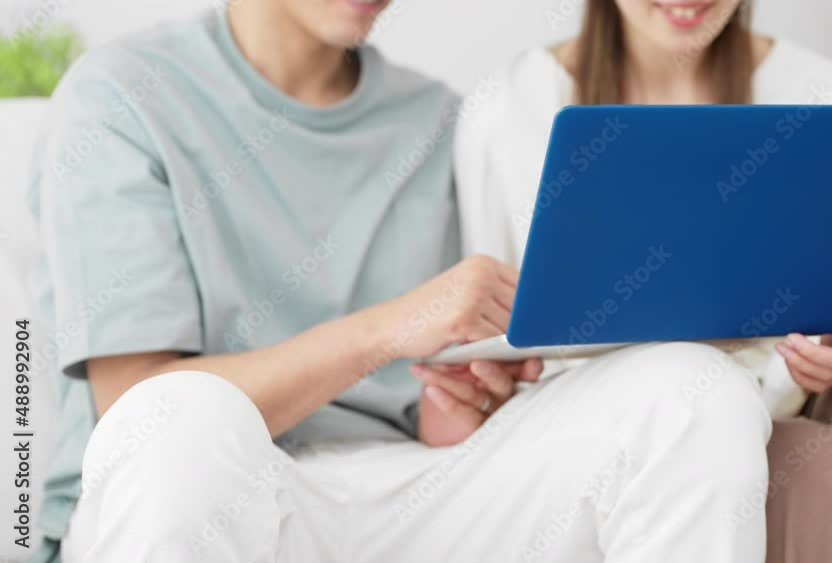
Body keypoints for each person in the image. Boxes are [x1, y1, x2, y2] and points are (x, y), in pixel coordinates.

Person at [29, 1, 777, 562]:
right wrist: (387, 330)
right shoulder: (122, 95)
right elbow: (133, 405)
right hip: (199, 492)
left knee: (694, 390)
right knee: (181, 419)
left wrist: (462, 397)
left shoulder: (439, 119)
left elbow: (431, 402)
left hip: (402, 491)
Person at [452, 1, 832, 562]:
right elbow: (492, 345)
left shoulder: (823, 91)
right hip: (641, 424)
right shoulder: (509, 108)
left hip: (792, 388)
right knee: (810, 463)